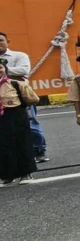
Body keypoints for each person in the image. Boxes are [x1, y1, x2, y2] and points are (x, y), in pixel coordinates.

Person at [0, 32, 48, 163]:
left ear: (8, 41)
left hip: (19, 95)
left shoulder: (19, 56)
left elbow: (23, 70)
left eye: (1, 40)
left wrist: (3, 69)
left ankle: (38, 150)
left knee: (29, 123)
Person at [0, 57, 38, 185]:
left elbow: (33, 99)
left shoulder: (16, 84)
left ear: (5, 69)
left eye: (0, 68)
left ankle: (26, 173)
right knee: (3, 145)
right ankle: (8, 175)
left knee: (21, 143)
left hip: (15, 115)